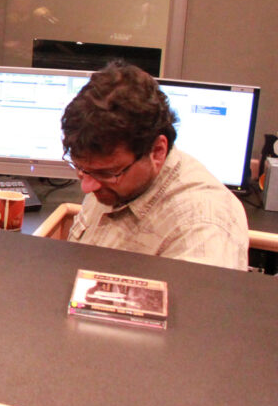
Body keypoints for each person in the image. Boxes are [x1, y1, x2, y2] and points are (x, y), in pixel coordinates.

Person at [60, 62, 248, 269]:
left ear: (157, 151)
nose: (87, 187)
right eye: (81, 169)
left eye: (107, 173)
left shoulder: (202, 228)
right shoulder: (107, 173)